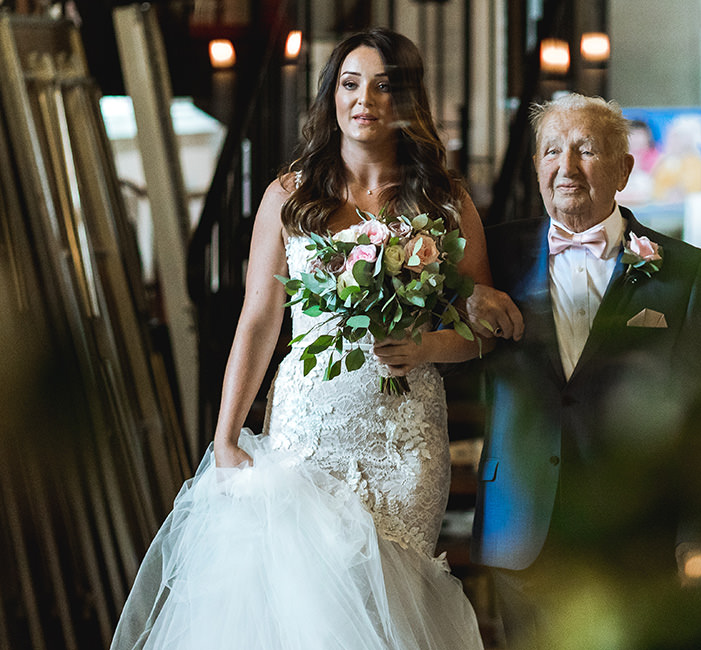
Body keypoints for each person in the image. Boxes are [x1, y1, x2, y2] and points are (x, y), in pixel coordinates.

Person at [112, 27, 489, 649]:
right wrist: (226, 433)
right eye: (349, 84)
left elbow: (483, 330)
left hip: (405, 441)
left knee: (389, 611)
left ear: (406, 101)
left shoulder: (446, 202)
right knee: (302, 611)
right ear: (331, 96)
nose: (364, 99)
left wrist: (425, 349)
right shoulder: (289, 198)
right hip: (309, 435)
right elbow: (259, 316)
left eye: (383, 85)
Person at [465, 93, 701, 648]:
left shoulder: (683, 271)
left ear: (625, 168)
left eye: (585, 150)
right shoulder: (492, 256)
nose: (566, 168)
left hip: (631, 524)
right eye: (552, 151)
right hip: (521, 519)